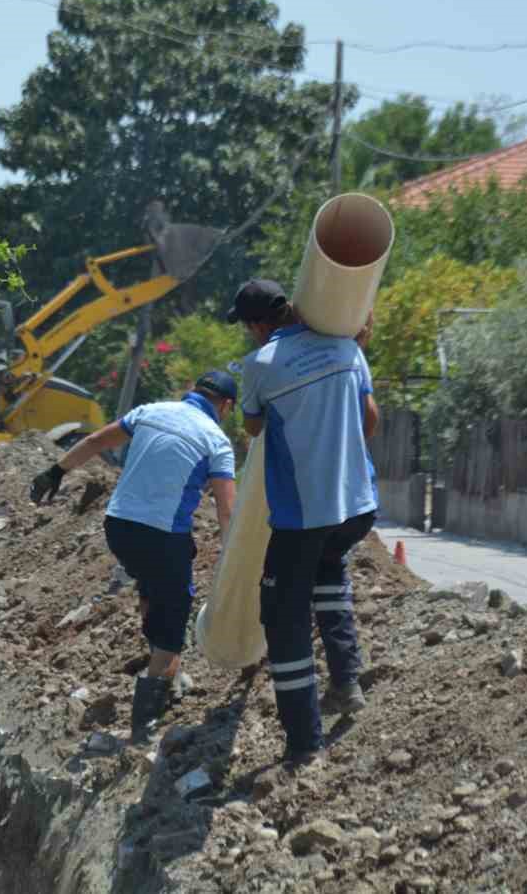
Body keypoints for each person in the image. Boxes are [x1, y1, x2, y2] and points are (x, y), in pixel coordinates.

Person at [29, 371, 238, 740]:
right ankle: (146, 719)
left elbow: (95, 440)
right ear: (227, 405)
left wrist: (54, 472)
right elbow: (226, 510)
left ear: (193, 391)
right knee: (175, 625)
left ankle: (164, 663)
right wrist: (233, 556)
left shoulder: (150, 411)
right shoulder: (216, 440)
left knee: (153, 581)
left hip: (118, 527)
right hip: (161, 536)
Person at [226, 278, 378, 766]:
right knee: (328, 575)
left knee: (283, 614)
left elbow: (252, 427)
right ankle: (347, 682)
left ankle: (303, 742)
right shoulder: (347, 348)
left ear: (257, 324)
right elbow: (370, 418)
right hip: (356, 505)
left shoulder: (260, 364)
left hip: (303, 514)